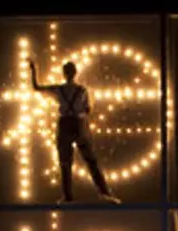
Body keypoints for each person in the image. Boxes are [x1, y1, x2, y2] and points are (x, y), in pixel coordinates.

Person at [28, 59, 120, 205]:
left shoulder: (58, 89)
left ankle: (68, 196)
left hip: (64, 123)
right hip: (79, 123)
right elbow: (88, 109)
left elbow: (36, 87)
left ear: (64, 74)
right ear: (75, 73)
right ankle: (104, 193)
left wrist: (33, 70)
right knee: (91, 161)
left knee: (65, 162)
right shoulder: (83, 90)